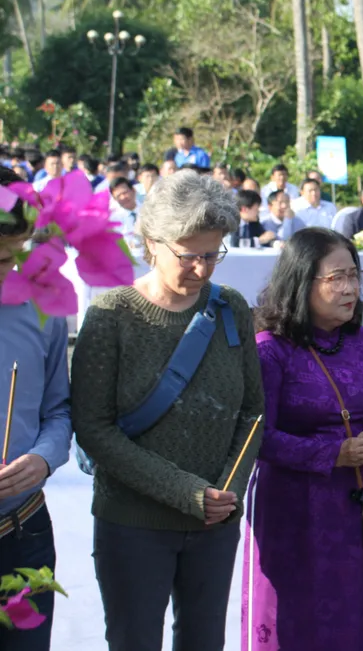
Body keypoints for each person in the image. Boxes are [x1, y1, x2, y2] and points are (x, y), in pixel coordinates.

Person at [71, 171, 264, 651]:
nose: (202, 269)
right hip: (133, 522)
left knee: (204, 640)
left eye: (213, 254)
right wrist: (188, 492)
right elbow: (94, 429)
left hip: (214, 522)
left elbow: (253, 412)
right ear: (151, 244)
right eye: (189, 255)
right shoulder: (112, 316)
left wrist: (229, 489)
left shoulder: (231, 308)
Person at [243, 228, 363, 651]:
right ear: (302, 281)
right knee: (289, 617)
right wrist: (335, 453)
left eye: (354, 275)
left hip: (348, 500)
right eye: (337, 278)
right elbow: (259, 439)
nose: (350, 288)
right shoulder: (270, 350)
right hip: (288, 505)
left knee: (344, 613)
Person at [0, 166, 72, 651]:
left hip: (24, 530)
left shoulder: (46, 307)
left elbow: (59, 410)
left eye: (13, 254)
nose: (7, 268)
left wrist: (43, 458)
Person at [109, 177, 141, 247]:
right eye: (118, 196)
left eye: (125, 192)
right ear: (114, 199)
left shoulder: (148, 209)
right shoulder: (114, 221)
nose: (123, 197)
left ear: (133, 190)